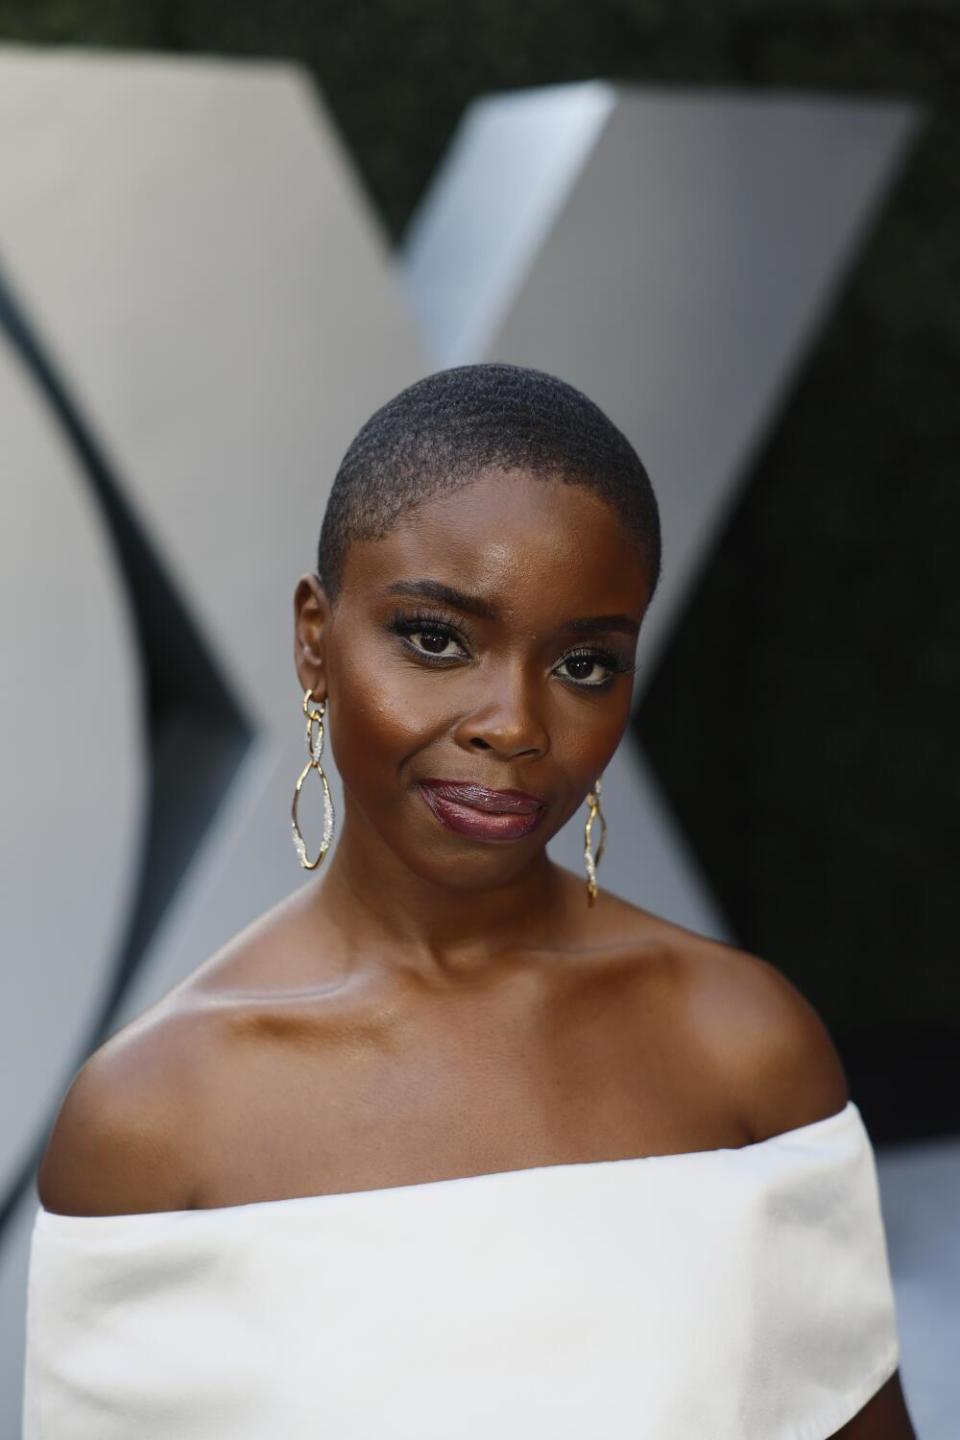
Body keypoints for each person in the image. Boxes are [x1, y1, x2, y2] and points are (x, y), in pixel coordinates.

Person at [24, 364, 914, 1438]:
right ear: (316, 640)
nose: (514, 724)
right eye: (437, 639)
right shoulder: (153, 1120)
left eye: (585, 663)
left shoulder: (741, 1044)